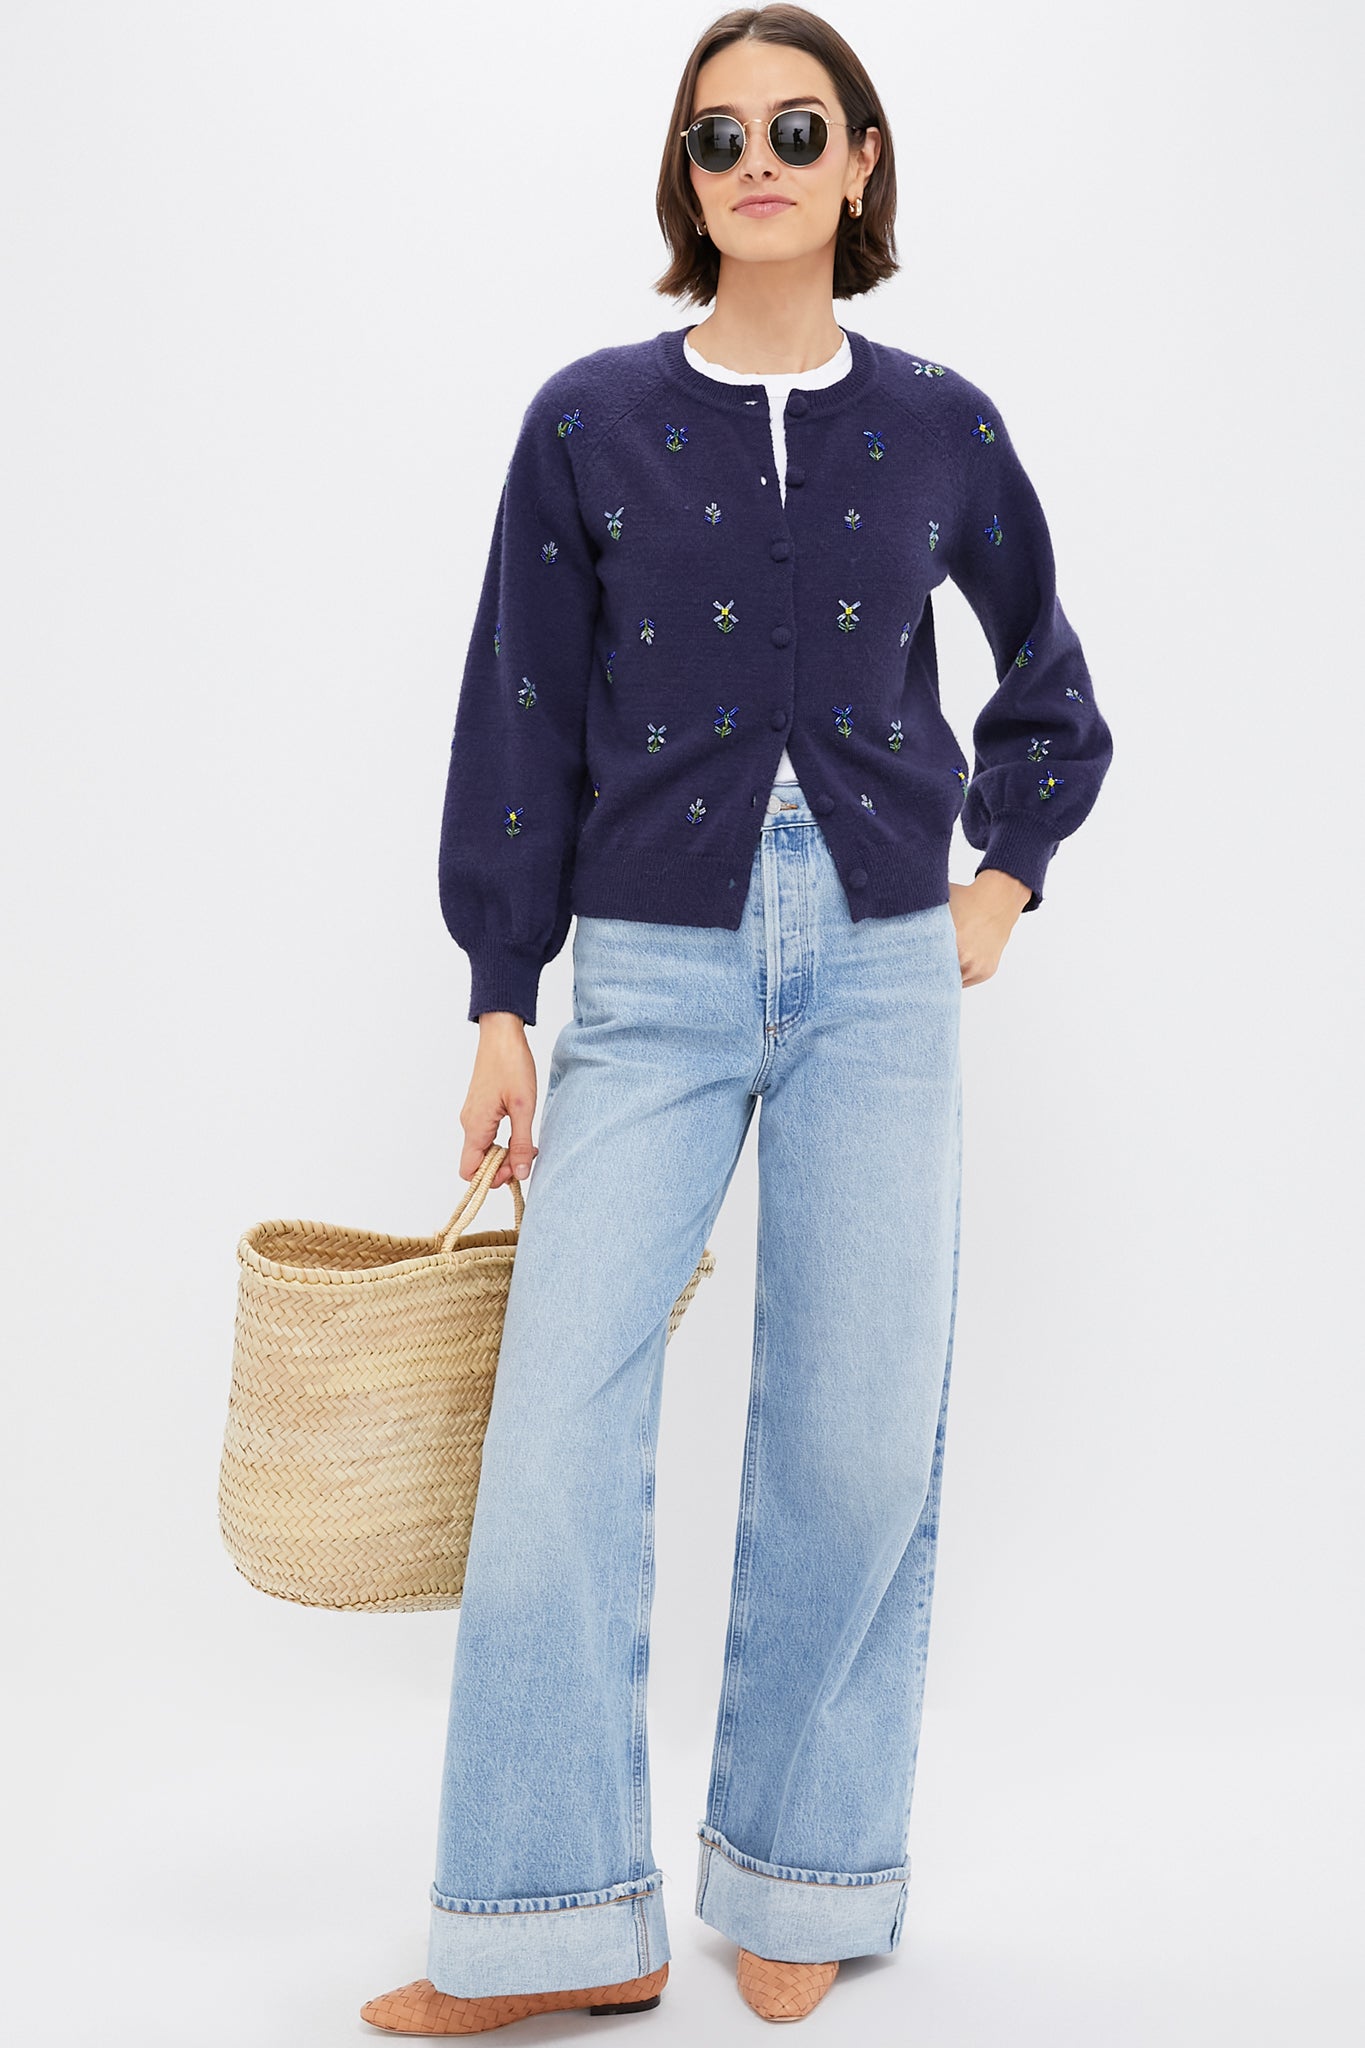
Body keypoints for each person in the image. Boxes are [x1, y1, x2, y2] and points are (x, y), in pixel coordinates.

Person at [361, 4, 1113, 2033]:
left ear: (861, 162)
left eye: (796, 128)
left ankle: (806, 1877)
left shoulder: (940, 423)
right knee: (552, 1432)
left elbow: (1046, 685)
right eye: (717, 137)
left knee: (856, 1436)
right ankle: (553, 1924)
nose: (756, 163)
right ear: (681, 180)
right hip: (650, 970)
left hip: (878, 968)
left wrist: (996, 881)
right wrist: (499, 998)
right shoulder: (587, 421)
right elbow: (517, 716)